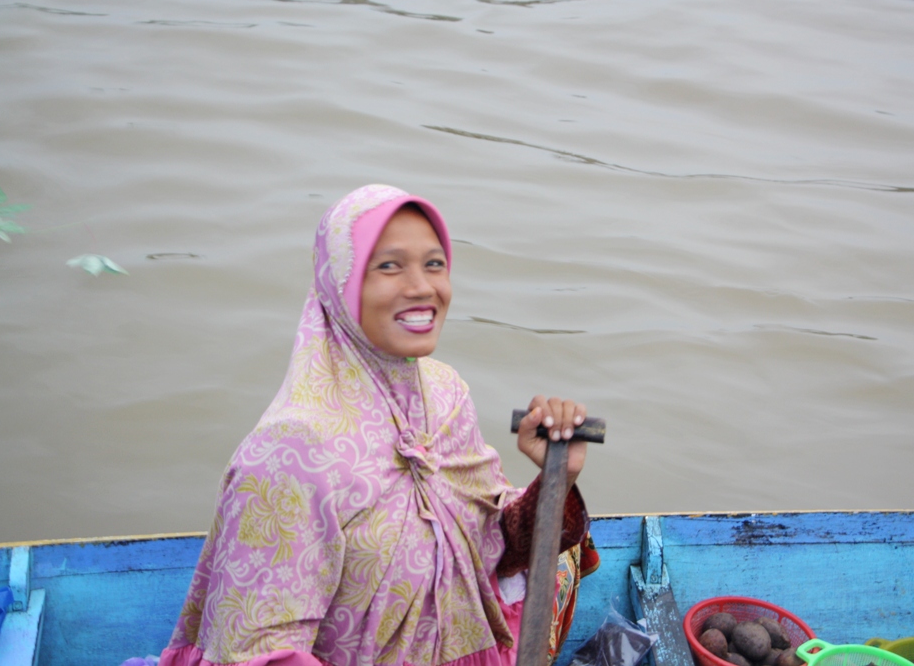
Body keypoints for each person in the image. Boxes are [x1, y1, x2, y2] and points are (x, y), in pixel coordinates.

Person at [159, 184, 598, 666]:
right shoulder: (290, 453)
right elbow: (259, 653)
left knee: (565, 556)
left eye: (434, 264)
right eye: (389, 265)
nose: (422, 287)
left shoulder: (445, 396)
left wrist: (559, 475)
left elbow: (489, 551)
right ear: (341, 282)